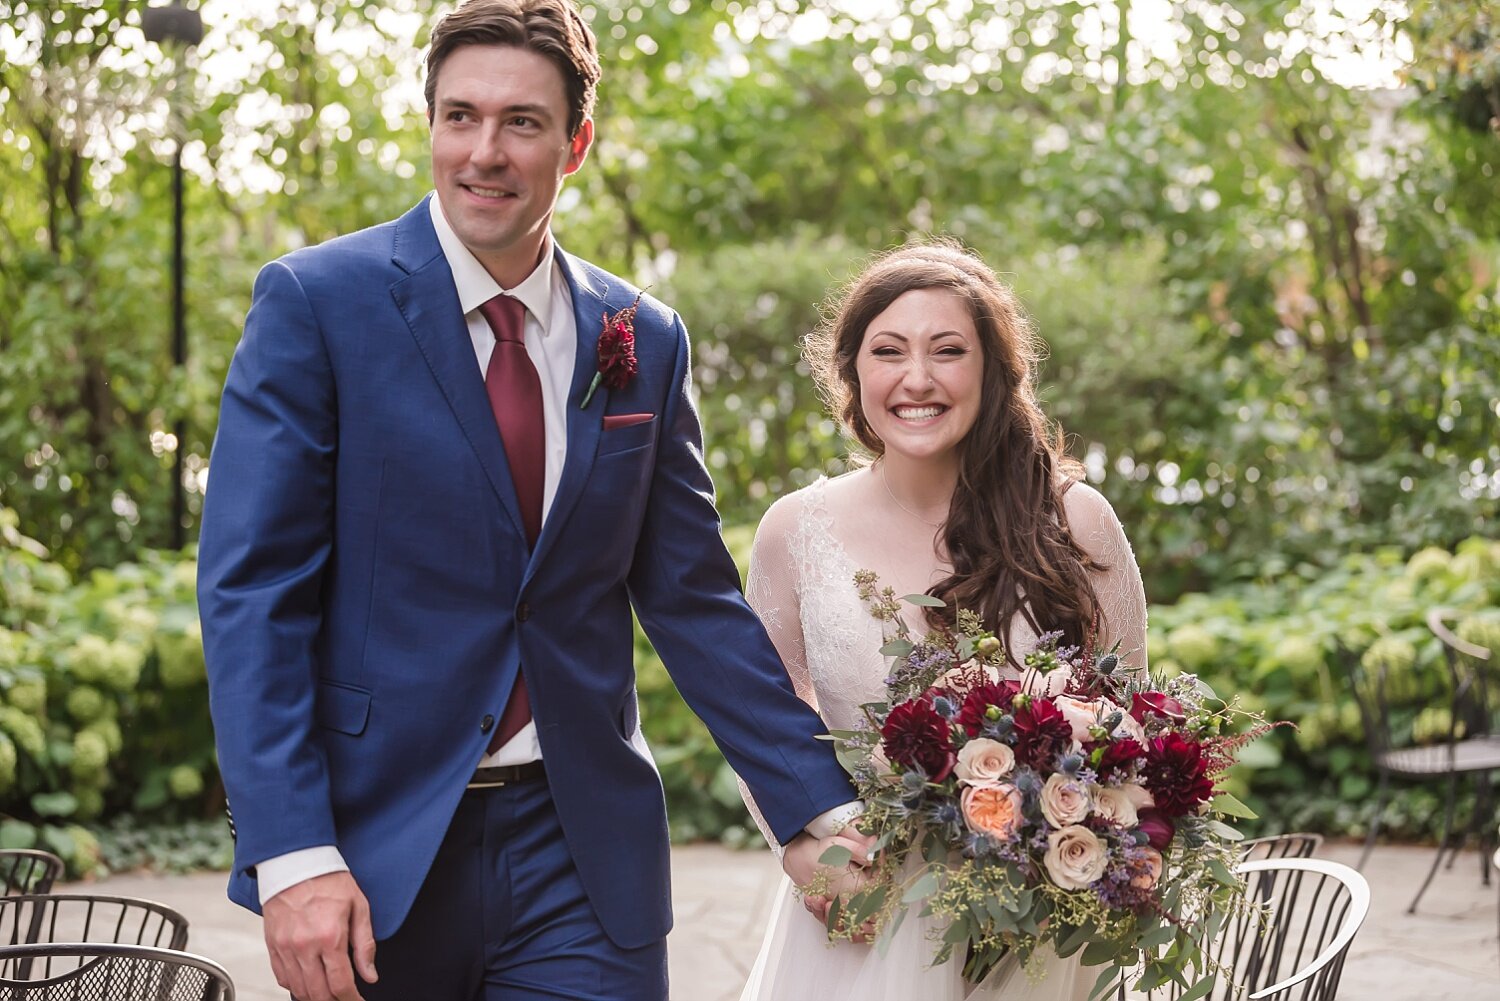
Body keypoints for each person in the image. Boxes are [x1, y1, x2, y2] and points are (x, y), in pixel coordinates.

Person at [196, 2, 869, 999]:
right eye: (459, 116)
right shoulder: (316, 306)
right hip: (377, 848)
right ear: (428, 125)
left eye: (521, 122)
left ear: (576, 143)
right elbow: (253, 595)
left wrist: (821, 810)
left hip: (582, 851)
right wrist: (292, 850)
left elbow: (690, 597)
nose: (484, 152)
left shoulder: (645, 336)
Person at [737, 241, 1149, 1000]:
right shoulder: (794, 531)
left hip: (1043, 927)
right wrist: (798, 846)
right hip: (865, 908)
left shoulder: (1075, 521)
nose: (916, 379)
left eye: (948, 350)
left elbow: (1134, 728)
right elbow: (764, 721)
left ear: (993, 371)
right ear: (852, 371)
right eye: (888, 351)